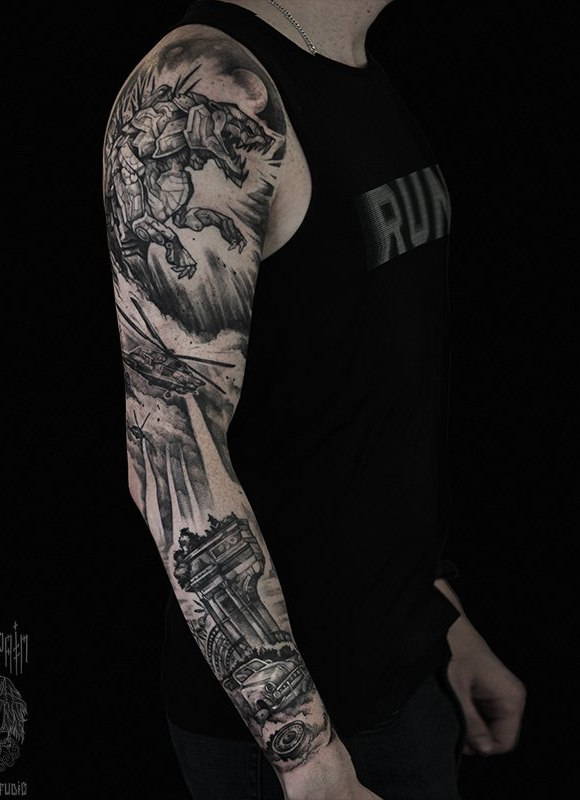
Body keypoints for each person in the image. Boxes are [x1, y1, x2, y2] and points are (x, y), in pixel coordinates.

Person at [102, 1, 526, 797]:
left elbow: (358, 396)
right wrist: (307, 759)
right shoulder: (207, 86)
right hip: (302, 736)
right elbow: (169, 456)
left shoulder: (353, 66)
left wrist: (443, 621)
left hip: (408, 677)